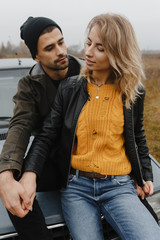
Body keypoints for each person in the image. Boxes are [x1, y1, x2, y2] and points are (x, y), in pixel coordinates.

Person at [23, 13, 160, 240]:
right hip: (77, 189)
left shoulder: (133, 92)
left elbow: (138, 135)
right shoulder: (69, 89)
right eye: (88, 43)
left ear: (118, 52)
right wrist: (30, 173)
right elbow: (46, 136)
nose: (88, 52)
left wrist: (145, 175)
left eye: (100, 48)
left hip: (119, 186)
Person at [0, 16, 82, 240]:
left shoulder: (89, 73)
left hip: (91, 158)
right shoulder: (29, 85)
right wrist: (5, 174)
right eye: (50, 48)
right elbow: (20, 124)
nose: (60, 51)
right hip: (53, 159)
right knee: (13, 187)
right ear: (36, 56)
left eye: (61, 42)